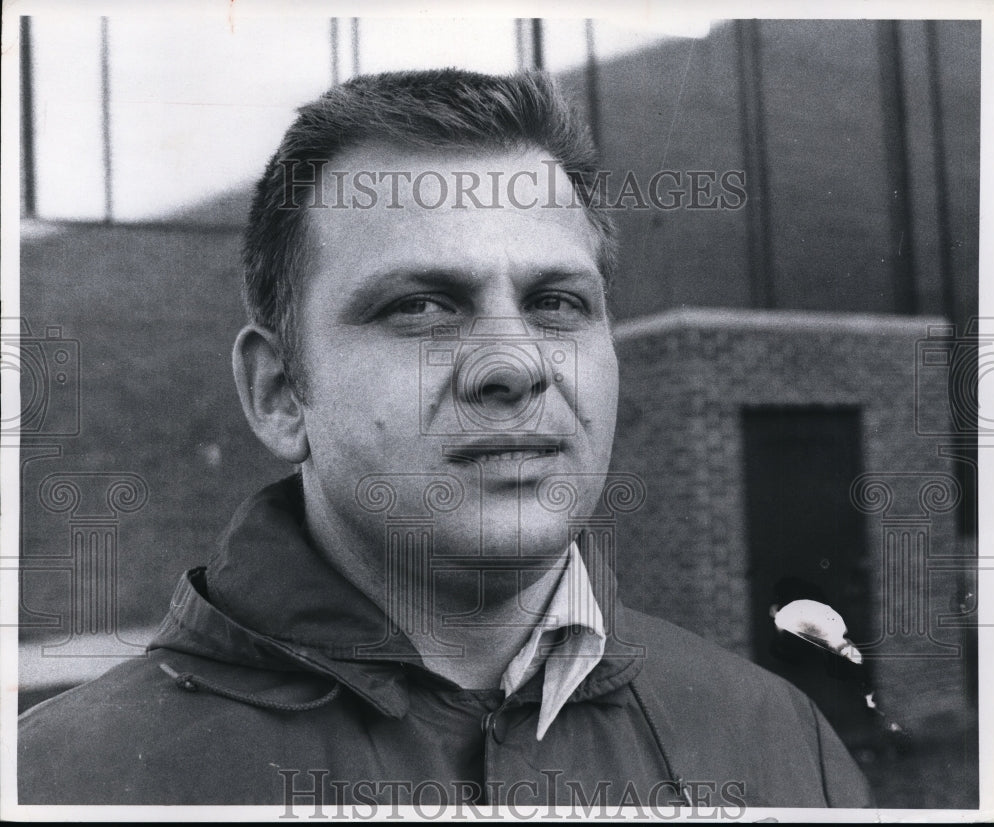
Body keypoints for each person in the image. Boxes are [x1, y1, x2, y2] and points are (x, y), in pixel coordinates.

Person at [18, 69, 872, 811]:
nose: (514, 366)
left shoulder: (780, 742)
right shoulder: (61, 782)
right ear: (281, 393)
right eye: (421, 306)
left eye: (556, 304)